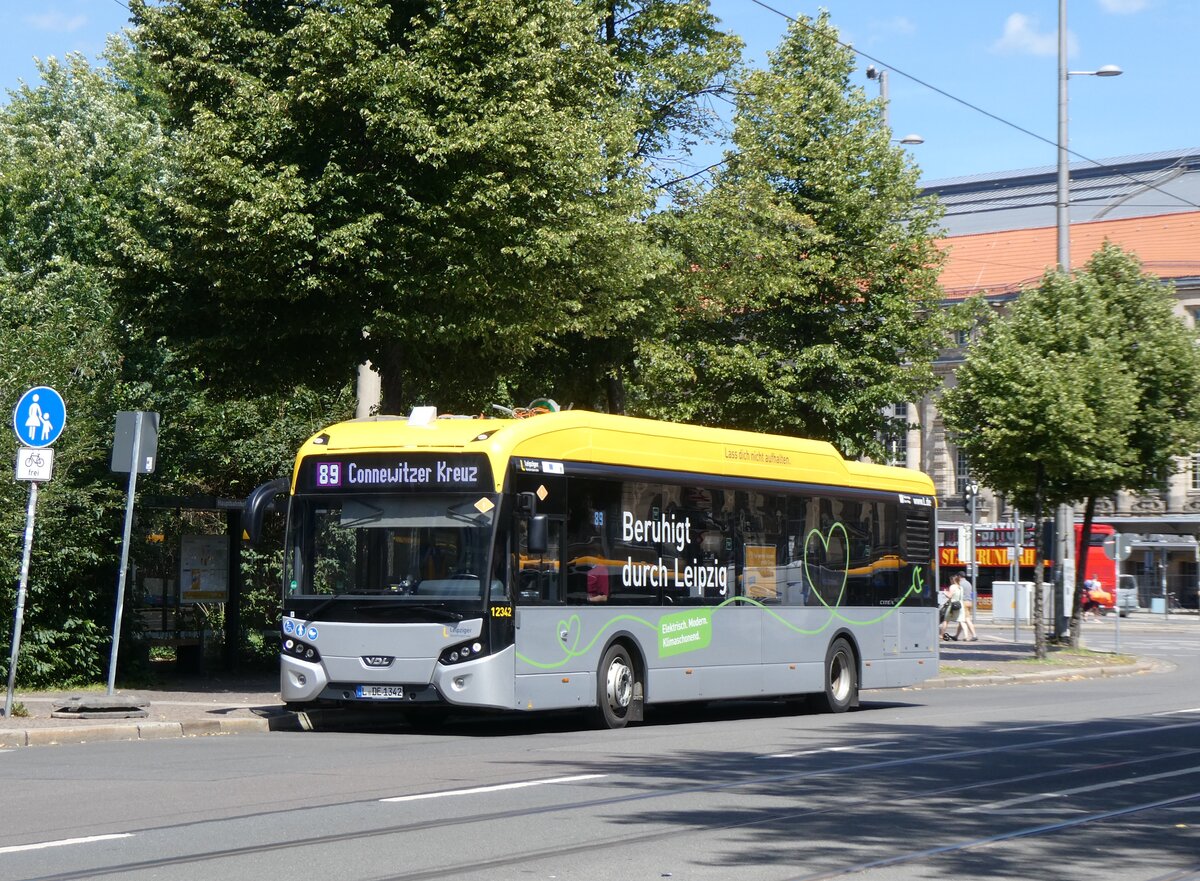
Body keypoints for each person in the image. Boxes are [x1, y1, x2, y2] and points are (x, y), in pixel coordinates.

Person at [954, 573, 978, 641]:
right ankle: (956, 635)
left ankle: (974, 635)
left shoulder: (960, 584)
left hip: (964, 602)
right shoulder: (968, 583)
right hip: (969, 602)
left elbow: (957, 593)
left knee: (967, 619)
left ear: (959, 576)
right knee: (961, 619)